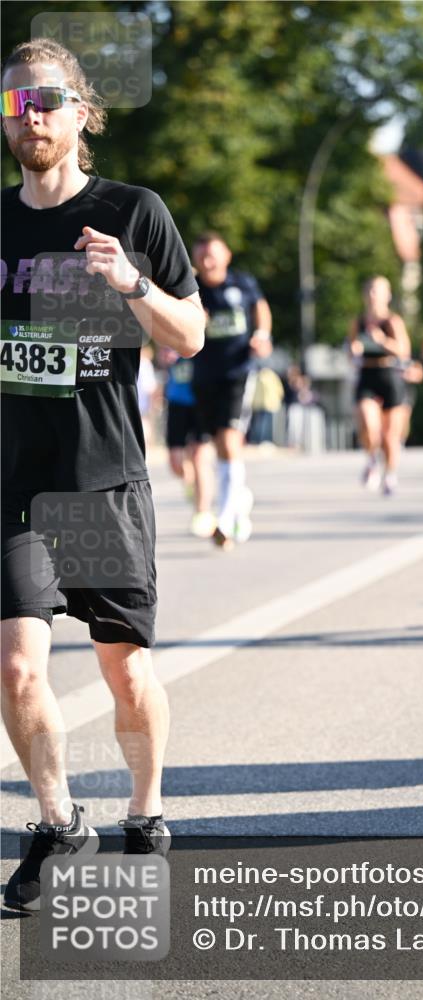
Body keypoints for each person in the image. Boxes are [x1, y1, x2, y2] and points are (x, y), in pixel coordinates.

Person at [0, 39, 205, 910]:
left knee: (122, 670)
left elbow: (189, 335)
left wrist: (131, 284)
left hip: (103, 478)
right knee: (16, 668)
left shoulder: (133, 211)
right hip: (15, 485)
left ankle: (147, 812)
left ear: (82, 111)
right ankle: (56, 823)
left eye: (44, 100)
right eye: (14, 104)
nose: (29, 116)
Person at [190, 232, 272, 548]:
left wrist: (262, 334)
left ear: (226, 255)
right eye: (201, 256)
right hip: (204, 373)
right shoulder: (190, 288)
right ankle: (239, 499)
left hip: (239, 371)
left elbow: (261, 310)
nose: (207, 261)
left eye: (212, 254)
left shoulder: (243, 284)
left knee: (229, 438)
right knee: (217, 443)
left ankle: (223, 517)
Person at [347, 276, 411, 495]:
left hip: (389, 374)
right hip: (367, 374)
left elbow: (404, 350)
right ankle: (372, 459)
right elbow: (351, 349)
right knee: (368, 423)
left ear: (388, 295)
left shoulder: (393, 322)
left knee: (390, 436)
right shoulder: (359, 322)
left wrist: (382, 340)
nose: (373, 296)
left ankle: (390, 474)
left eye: (378, 291)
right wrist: (353, 351)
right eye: (370, 291)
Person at [161, 346, 216, 537]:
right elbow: (164, 354)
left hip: (202, 400)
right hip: (176, 402)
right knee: (176, 464)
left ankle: (202, 512)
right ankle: (192, 483)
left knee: (199, 457)